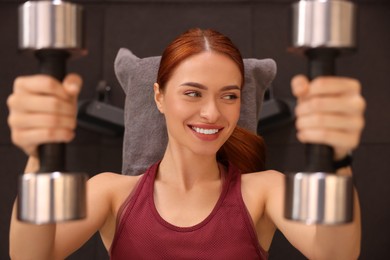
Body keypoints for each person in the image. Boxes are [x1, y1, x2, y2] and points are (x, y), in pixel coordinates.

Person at [8, 28, 365, 259]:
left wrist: (336, 157)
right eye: (193, 93)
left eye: (229, 96)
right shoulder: (112, 193)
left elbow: (337, 255)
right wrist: (40, 153)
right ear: (160, 97)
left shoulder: (263, 191)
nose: (212, 113)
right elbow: (29, 256)